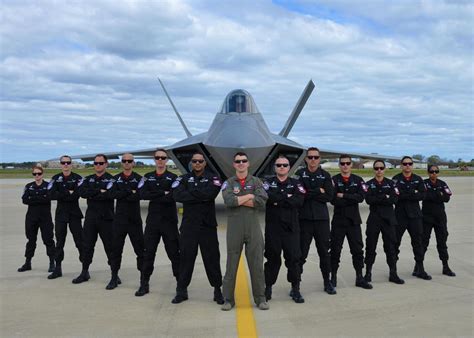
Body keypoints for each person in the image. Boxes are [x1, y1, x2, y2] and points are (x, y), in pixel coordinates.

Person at [171, 152, 224, 304]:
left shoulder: (213, 178)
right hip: (189, 227)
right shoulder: (183, 178)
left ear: (205, 163)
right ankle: (181, 290)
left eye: (200, 161)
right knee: (186, 259)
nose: (198, 163)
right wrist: (200, 195)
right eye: (194, 161)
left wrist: (191, 193)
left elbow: (211, 194)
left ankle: (217, 290)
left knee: (212, 259)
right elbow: (177, 196)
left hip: (207, 227)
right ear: (191, 163)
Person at [221, 152, 269, 311]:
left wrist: (239, 201)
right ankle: (228, 299)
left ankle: (260, 298)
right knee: (231, 264)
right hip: (235, 228)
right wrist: (249, 196)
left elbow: (261, 201)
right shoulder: (229, 182)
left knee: (256, 264)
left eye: (243, 161)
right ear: (234, 164)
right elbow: (229, 201)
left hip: (253, 226)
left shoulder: (256, 181)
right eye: (237, 161)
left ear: (248, 163)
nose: (241, 163)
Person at [135, 149, 180, 297]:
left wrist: (154, 195)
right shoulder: (148, 177)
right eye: (157, 158)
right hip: (153, 223)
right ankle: (144, 283)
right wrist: (162, 193)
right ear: (154, 160)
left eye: (163, 158)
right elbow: (142, 195)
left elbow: (174, 196)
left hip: (169, 223)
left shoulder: (174, 178)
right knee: (148, 254)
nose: (160, 160)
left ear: (167, 160)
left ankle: (181, 286)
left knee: (174, 254)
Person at [263, 155, 305, 303]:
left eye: (285, 165)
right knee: (272, 258)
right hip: (273, 229)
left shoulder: (296, 183)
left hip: (291, 229)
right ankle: (267, 288)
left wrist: (278, 200)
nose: (282, 167)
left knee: (294, 259)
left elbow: (299, 200)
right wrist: (287, 198)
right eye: (279, 165)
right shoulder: (268, 183)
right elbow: (266, 198)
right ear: (275, 167)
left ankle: (295, 289)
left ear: (289, 167)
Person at [295, 147, 336, 295]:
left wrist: (308, 192)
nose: (313, 160)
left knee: (324, 253)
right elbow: (299, 197)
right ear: (305, 159)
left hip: (321, 221)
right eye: (310, 157)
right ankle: (296, 286)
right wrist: (318, 191)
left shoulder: (325, 175)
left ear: (319, 159)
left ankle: (328, 282)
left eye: (316, 157)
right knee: (301, 254)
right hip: (304, 220)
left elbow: (329, 197)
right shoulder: (299, 175)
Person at [330, 155, 372, 289]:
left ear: (351, 165)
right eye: (342, 163)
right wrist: (351, 198)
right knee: (335, 250)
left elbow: (360, 198)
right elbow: (332, 199)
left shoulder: (358, 180)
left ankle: (359, 277)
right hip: (338, 222)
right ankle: (333, 278)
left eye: (348, 163)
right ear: (339, 165)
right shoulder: (334, 180)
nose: (345, 166)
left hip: (354, 222)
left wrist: (343, 195)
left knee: (358, 251)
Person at [72, 154, 115, 284]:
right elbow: (81, 193)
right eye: (96, 163)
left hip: (106, 219)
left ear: (106, 164)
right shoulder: (88, 179)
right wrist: (99, 191)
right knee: (87, 246)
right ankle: (84, 272)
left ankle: (114, 274)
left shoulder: (111, 180)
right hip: (91, 219)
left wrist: (93, 193)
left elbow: (109, 195)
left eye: (101, 163)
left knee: (110, 247)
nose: (98, 165)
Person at [106, 153, 144, 290]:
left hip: (134, 221)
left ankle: (143, 280)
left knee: (140, 250)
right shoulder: (115, 179)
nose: (127, 163)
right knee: (116, 250)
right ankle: (114, 277)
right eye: (124, 161)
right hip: (119, 221)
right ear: (121, 163)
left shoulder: (140, 179)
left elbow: (140, 195)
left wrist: (122, 193)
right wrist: (130, 191)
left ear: (134, 163)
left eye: (129, 161)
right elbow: (110, 194)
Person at [364, 160, 404, 284]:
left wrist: (379, 198)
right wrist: (384, 197)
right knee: (370, 246)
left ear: (385, 169)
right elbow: (368, 200)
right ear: (373, 170)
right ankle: (368, 273)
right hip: (374, 219)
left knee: (391, 247)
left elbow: (394, 199)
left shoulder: (392, 183)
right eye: (376, 168)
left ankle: (393, 273)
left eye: (381, 168)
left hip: (388, 220)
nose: (379, 170)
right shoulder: (368, 184)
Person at [392, 156, 431, 280]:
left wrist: (406, 194)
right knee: (395, 243)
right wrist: (412, 193)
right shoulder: (396, 179)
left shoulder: (418, 179)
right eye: (405, 164)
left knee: (418, 243)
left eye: (409, 164)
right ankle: (393, 271)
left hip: (415, 216)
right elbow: (396, 196)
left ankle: (420, 269)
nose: (407, 166)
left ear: (412, 165)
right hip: (400, 216)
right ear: (401, 165)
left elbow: (423, 195)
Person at [47, 155, 83, 279]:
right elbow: (51, 195)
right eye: (63, 163)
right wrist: (68, 192)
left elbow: (78, 195)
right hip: (61, 215)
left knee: (80, 242)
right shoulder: (55, 179)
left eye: (68, 162)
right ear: (60, 164)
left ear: (71, 164)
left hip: (74, 215)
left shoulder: (78, 178)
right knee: (59, 242)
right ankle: (58, 269)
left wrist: (61, 193)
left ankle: (85, 269)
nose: (66, 165)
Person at [18, 165, 55, 273]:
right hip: (31, 218)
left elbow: (49, 197)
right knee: (31, 240)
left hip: (45, 218)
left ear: (42, 174)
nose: (37, 176)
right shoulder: (29, 186)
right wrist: (41, 198)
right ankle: (27, 262)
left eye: (39, 173)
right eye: (34, 174)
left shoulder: (49, 185)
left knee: (48, 240)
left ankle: (52, 263)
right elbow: (24, 200)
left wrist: (33, 198)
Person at [422, 165, 455, 276]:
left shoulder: (442, 183)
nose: (434, 173)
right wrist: (438, 195)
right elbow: (424, 196)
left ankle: (445, 266)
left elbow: (447, 198)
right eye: (432, 171)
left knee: (442, 242)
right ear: (428, 172)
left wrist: (435, 195)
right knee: (423, 242)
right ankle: (418, 266)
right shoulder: (424, 183)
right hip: (426, 217)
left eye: (436, 171)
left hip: (440, 217)